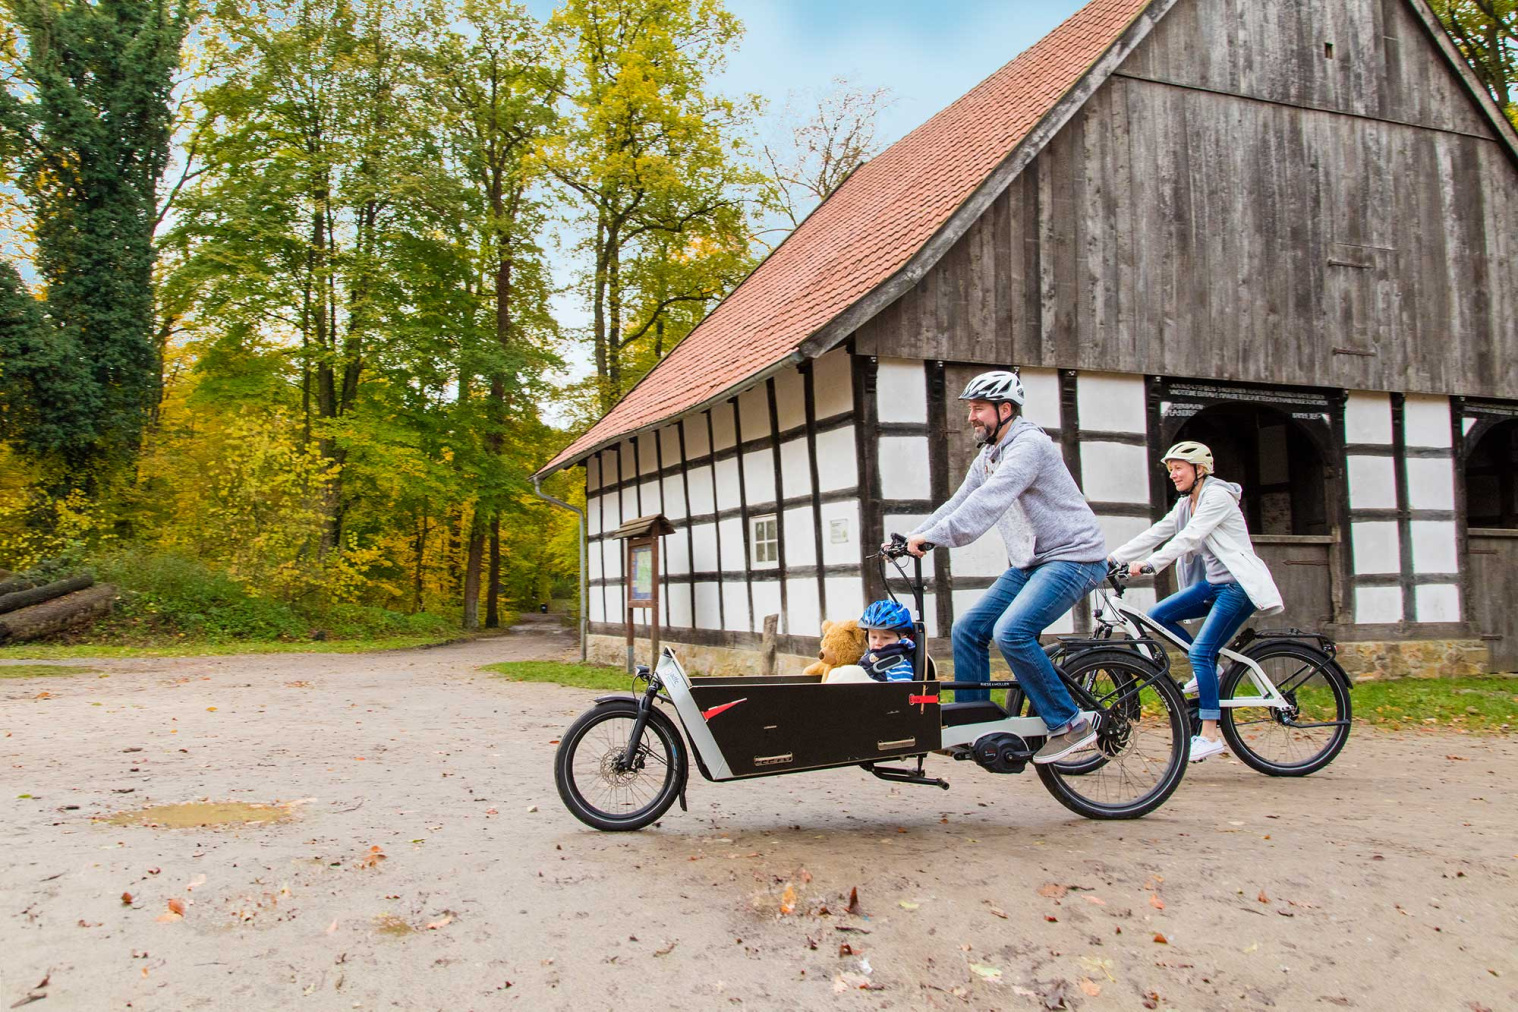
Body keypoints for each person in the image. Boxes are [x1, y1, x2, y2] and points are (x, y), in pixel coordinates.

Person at [898, 370, 1109, 764]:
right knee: (967, 629)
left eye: (978, 408)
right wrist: (912, 534)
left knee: (1011, 633)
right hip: (1031, 562)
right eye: (971, 409)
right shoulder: (990, 455)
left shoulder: (1028, 446)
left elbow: (990, 501)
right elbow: (961, 500)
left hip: (1073, 557)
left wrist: (935, 538)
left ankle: (1071, 724)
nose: (971, 417)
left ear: (1005, 409)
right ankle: (972, 725)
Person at [1108, 441, 1284, 763]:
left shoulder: (1216, 497)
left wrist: (1150, 565)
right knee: (1157, 615)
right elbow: (1157, 532)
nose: (1172, 474)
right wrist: (1112, 558)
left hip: (1237, 587)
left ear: (1199, 470)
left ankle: (1210, 734)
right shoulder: (1187, 503)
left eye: (1178, 468)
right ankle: (1213, 669)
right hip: (1213, 585)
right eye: (1170, 469)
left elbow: (1189, 537)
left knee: (1201, 652)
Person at [857, 600, 917, 681]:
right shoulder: (870, 655)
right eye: (873, 637)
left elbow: (901, 691)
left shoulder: (900, 666)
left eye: (886, 638)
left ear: (903, 636)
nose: (878, 643)